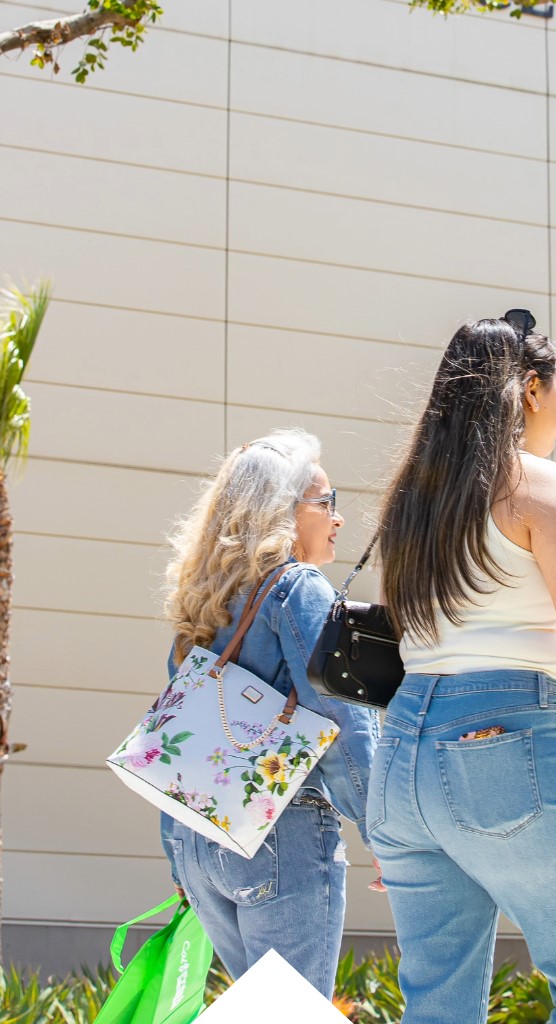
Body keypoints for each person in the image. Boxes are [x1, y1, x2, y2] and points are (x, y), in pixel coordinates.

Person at [369, 312, 556, 1024]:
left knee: (438, 1004)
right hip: (504, 742)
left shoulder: (411, 501)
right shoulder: (541, 486)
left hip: (401, 758)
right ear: (529, 390)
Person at [161, 428, 379, 999]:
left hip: (201, 842)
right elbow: (341, 723)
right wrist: (386, 835)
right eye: (326, 502)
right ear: (283, 513)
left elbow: (176, 732)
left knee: (263, 1011)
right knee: (291, 1013)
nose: (337, 518)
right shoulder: (298, 587)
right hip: (282, 831)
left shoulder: (204, 598)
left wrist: (176, 852)